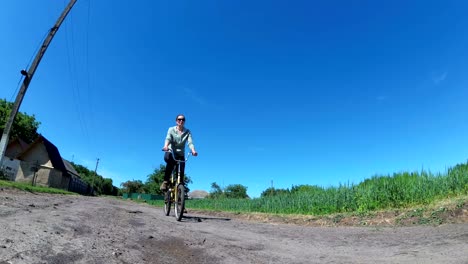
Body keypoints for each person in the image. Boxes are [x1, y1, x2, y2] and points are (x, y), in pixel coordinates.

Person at [160, 114, 198, 191]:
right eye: (179, 119)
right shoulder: (171, 129)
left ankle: (180, 185)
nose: (181, 121)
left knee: (182, 167)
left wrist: (193, 150)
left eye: (183, 119)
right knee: (169, 160)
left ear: (184, 121)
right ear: (176, 121)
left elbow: (190, 142)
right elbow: (168, 138)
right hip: (171, 151)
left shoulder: (187, 132)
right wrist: (166, 146)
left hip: (180, 154)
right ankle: (166, 181)